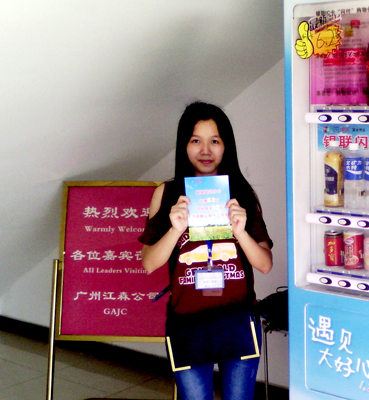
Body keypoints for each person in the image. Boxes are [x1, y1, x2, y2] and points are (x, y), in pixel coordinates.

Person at [138, 101, 273, 400]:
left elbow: (265, 264)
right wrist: (175, 229)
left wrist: (241, 232)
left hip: (237, 318)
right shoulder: (167, 193)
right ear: (183, 145)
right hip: (187, 321)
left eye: (215, 141)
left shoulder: (243, 194)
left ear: (226, 146)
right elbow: (149, 262)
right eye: (196, 140)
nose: (205, 150)